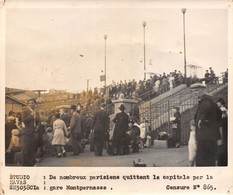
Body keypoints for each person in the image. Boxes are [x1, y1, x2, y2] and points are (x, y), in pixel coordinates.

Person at [193, 84, 222, 166]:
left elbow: (205, 111)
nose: (194, 93)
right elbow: (219, 113)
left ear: (202, 91)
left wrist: (204, 120)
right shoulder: (205, 101)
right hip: (208, 137)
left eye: (196, 91)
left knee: (203, 162)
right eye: (193, 91)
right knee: (208, 161)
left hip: (205, 139)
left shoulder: (206, 101)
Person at [20, 98, 39, 166]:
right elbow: (24, 120)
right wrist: (31, 115)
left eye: (33, 103)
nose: (31, 104)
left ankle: (32, 163)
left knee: (33, 148)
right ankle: (25, 164)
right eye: (30, 103)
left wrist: (37, 127)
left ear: (35, 104)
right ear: (28, 104)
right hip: (27, 132)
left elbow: (38, 121)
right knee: (26, 149)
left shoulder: (36, 112)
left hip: (34, 132)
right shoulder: (25, 111)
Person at [216, 98, 228, 166]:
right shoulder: (225, 109)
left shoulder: (222, 109)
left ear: (221, 103)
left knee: (222, 146)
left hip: (222, 129)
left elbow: (221, 119)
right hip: (224, 129)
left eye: (218, 103)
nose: (217, 104)